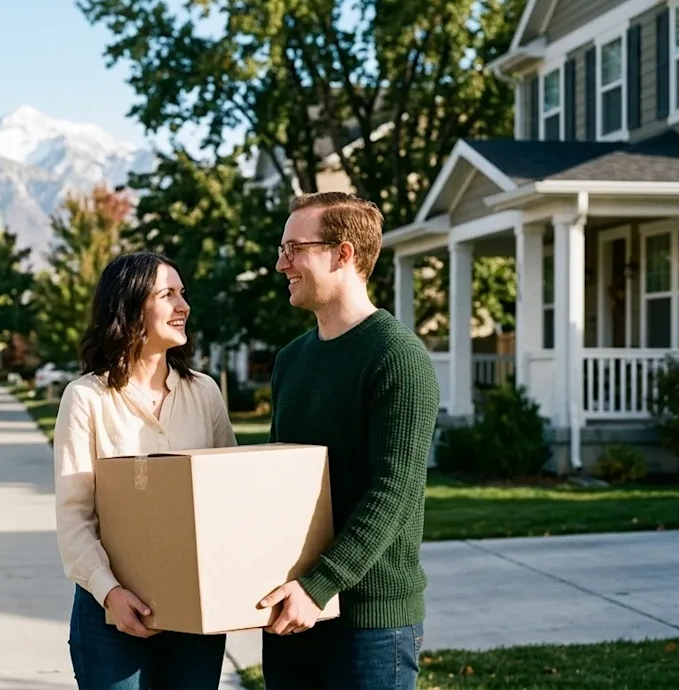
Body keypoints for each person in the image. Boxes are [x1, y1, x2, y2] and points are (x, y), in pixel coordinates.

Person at [256, 192, 440, 690]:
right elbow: (278, 484)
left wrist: (319, 588)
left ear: (344, 254)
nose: (281, 264)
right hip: (291, 610)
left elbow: (392, 494)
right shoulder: (291, 360)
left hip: (370, 622)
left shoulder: (396, 356)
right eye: (282, 248)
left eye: (295, 248)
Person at [53, 251, 238, 690]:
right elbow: (74, 516)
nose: (184, 306)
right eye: (168, 294)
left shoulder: (204, 393)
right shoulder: (86, 399)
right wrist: (110, 593)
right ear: (132, 308)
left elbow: (230, 498)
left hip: (196, 612)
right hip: (111, 612)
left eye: (183, 294)